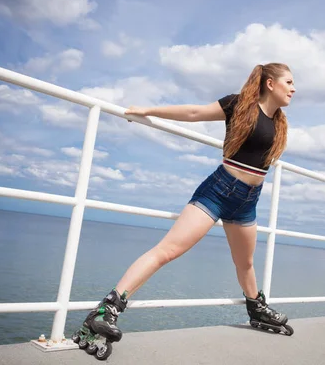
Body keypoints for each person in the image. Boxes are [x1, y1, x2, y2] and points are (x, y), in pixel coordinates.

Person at [73, 63, 296, 359]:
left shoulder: (280, 122)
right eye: (289, 82)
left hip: (248, 200)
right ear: (270, 83)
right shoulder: (239, 104)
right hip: (219, 190)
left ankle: (257, 309)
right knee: (167, 250)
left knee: (245, 263)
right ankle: (106, 310)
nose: (294, 89)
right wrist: (147, 111)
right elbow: (194, 113)